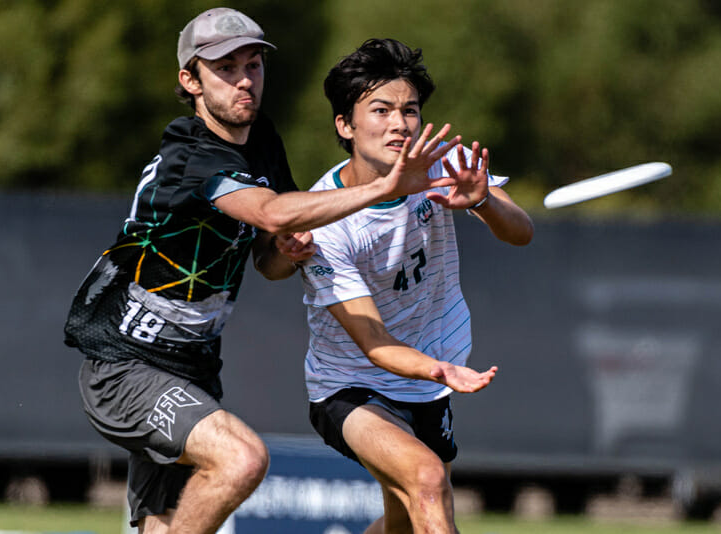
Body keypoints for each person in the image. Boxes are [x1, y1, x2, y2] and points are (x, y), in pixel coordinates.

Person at [63, 9, 463, 534]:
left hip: (190, 370)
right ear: (191, 80)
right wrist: (382, 188)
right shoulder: (190, 153)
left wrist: (288, 251)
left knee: (164, 526)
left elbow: (269, 258)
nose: (245, 79)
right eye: (225, 67)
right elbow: (272, 212)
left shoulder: (261, 142)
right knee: (242, 460)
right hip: (125, 363)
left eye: (252, 64)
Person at [300, 38, 534, 533]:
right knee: (428, 479)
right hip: (352, 383)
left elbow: (521, 231)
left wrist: (482, 201)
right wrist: (440, 369)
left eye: (409, 110)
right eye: (380, 109)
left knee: (403, 522)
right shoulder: (325, 219)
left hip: (427, 381)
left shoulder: (443, 165)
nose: (398, 123)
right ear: (345, 125)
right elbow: (375, 344)